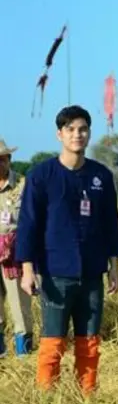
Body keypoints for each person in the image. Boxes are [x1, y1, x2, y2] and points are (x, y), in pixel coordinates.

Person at [16, 105, 118, 394]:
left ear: (89, 133)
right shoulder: (42, 175)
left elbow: (111, 223)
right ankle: (46, 395)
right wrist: (27, 269)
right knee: (53, 340)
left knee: (90, 341)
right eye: (71, 129)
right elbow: (28, 225)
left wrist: (113, 267)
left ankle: (86, 395)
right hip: (55, 272)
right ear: (59, 134)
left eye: (83, 129)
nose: (78, 135)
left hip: (91, 272)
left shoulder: (100, 176)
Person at [0, 138, 34, 357]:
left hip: (14, 256)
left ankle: (24, 356)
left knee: (19, 307)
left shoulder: (23, 185)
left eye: (1, 159)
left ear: (9, 160)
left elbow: (33, 220)